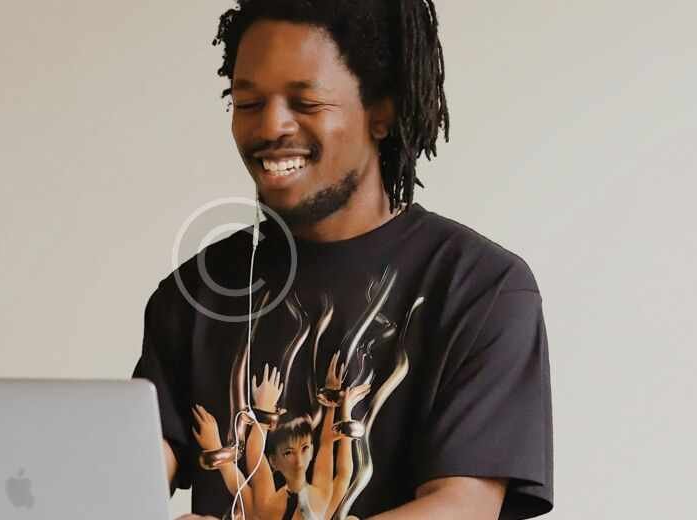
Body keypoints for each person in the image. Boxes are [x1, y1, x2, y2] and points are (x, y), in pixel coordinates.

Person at [133, 1, 554, 519]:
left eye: (305, 102)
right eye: (248, 102)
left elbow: (462, 506)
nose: (271, 125)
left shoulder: (480, 287)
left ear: (382, 112)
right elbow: (130, 476)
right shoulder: (195, 293)